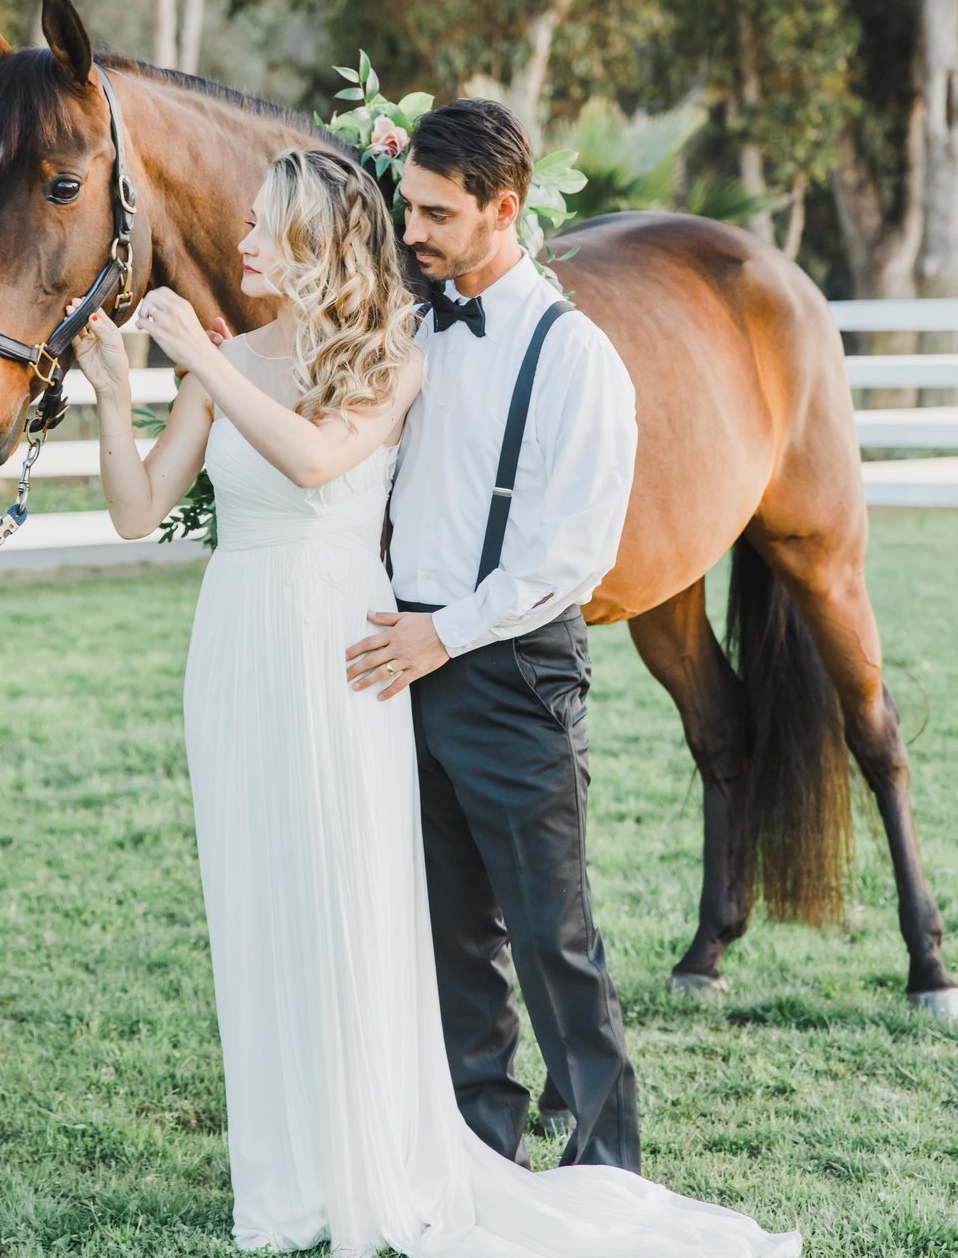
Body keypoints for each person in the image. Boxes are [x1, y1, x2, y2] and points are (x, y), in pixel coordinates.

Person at [73, 144, 801, 1256]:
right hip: (239, 648)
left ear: (318, 244)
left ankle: (460, 1150)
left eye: (266, 226)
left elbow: (321, 463)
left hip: (355, 645)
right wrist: (122, 395)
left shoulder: (390, 358)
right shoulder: (226, 359)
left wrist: (201, 367)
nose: (243, 243)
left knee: (407, 907)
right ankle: (293, 1168)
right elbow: (135, 511)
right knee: (271, 898)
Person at [345, 98, 638, 1173]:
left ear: (502, 208)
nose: (409, 229)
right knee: (450, 936)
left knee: (554, 937)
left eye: (434, 212)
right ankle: (478, 1152)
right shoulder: (411, 329)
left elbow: (573, 553)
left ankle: (608, 1166)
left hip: (511, 670)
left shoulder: (573, 356)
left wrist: (445, 635)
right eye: (407, 204)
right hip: (399, 665)